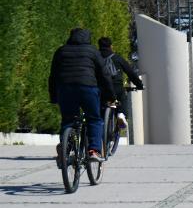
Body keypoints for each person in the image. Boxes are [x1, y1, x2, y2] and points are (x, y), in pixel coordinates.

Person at [48, 27, 115, 162]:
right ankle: (93, 150)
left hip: (65, 89)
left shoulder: (61, 51)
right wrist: (111, 96)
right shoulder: (92, 51)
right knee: (94, 119)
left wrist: (54, 96)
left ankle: (66, 149)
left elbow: (53, 76)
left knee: (68, 120)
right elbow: (105, 75)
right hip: (88, 88)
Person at [97, 37, 143, 141]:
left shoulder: (96, 57)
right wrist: (139, 85)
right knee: (122, 96)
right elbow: (130, 73)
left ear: (99, 46)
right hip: (116, 87)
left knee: (99, 107)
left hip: (100, 88)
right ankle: (121, 114)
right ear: (111, 46)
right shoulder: (117, 58)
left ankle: (101, 125)